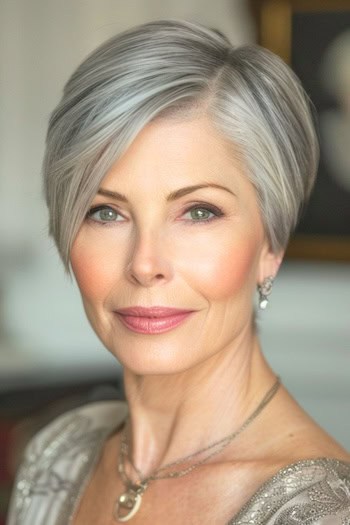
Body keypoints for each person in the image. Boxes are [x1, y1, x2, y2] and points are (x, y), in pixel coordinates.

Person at [6, 18, 350, 525]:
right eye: (106, 212)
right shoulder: (58, 453)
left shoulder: (325, 514)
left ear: (270, 245)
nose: (145, 264)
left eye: (198, 212)